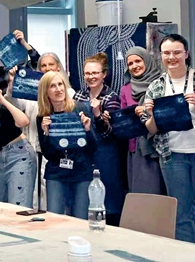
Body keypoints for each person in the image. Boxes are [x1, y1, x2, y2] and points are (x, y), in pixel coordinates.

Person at [142, 34, 195, 243]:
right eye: (166, 53)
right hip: (172, 156)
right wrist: (152, 115)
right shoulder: (156, 86)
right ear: (160, 56)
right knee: (181, 212)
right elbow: (151, 129)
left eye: (176, 52)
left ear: (186, 54)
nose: (171, 57)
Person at [6, 52, 74, 209]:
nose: (47, 68)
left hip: (56, 151)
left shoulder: (67, 92)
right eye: (43, 65)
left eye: (51, 64)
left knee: (51, 196)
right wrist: (12, 84)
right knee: (32, 192)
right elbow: (15, 107)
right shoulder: (30, 91)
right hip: (31, 147)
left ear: (58, 66)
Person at [73, 52, 124, 226]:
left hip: (105, 154)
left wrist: (97, 115)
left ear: (104, 74)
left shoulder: (111, 97)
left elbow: (109, 134)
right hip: (84, 153)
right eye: (87, 73)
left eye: (95, 73)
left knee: (108, 199)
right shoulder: (78, 96)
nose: (91, 77)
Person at [37, 71, 96, 219]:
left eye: (60, 84)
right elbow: (48, 154)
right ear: (46, 91)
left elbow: (93, 149)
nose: (58, 89)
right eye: (52, 86)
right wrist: (46, 134)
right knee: (54, 218)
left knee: (80, 219)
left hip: (81, 171)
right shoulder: (43, 117)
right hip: (57, 173)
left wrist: (88, 130)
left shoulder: (80, 108)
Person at [116, 47, 165, 195]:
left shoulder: (161, 82)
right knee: (140, 193)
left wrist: (147, 111)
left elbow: (167, 111)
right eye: (130, 63)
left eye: (138, 61)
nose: (134, 66)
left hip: (159, 145)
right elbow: (123, 118)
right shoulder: (126, 89)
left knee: (159, 193)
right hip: (136, 147)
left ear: (147, 61)